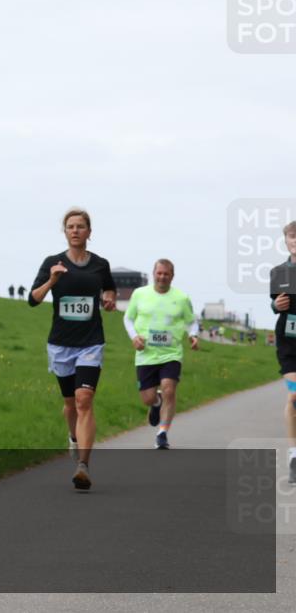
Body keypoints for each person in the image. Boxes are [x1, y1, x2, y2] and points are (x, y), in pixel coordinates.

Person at [29, 208, 116, 490]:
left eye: (80, 226)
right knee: (70, 404)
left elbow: (109, 289)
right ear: (64, 232)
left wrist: (109, 299)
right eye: (70, 226)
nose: (75, 230)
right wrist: (52, 280)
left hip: (91, 341)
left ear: (89, 231)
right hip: (60, 343)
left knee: (84, 399)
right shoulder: (52, 262)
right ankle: (74, 437)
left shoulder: (100, 264)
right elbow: (33, 299)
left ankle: (83, 466)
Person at [122, 259, 199, 449]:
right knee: (147, 398)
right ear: (153, 274)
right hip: (146, 354)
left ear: (172, 276)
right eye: (159, 273)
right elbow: (128, 318)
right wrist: (134, 337)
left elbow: (191, 321)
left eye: (166, 274)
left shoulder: (181, 298)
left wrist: (193, 335)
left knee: (169, 389)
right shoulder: (140, 294)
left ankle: (162, 433)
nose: (162, 277)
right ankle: (156, 403)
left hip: (171, 353)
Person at [269, 220, 296, 484]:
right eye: (292, 236)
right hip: (288, 344)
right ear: (286, 240)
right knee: (294, 395)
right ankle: (294, 456)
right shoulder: (278, 272)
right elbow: (274, 304)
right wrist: (276, 305)